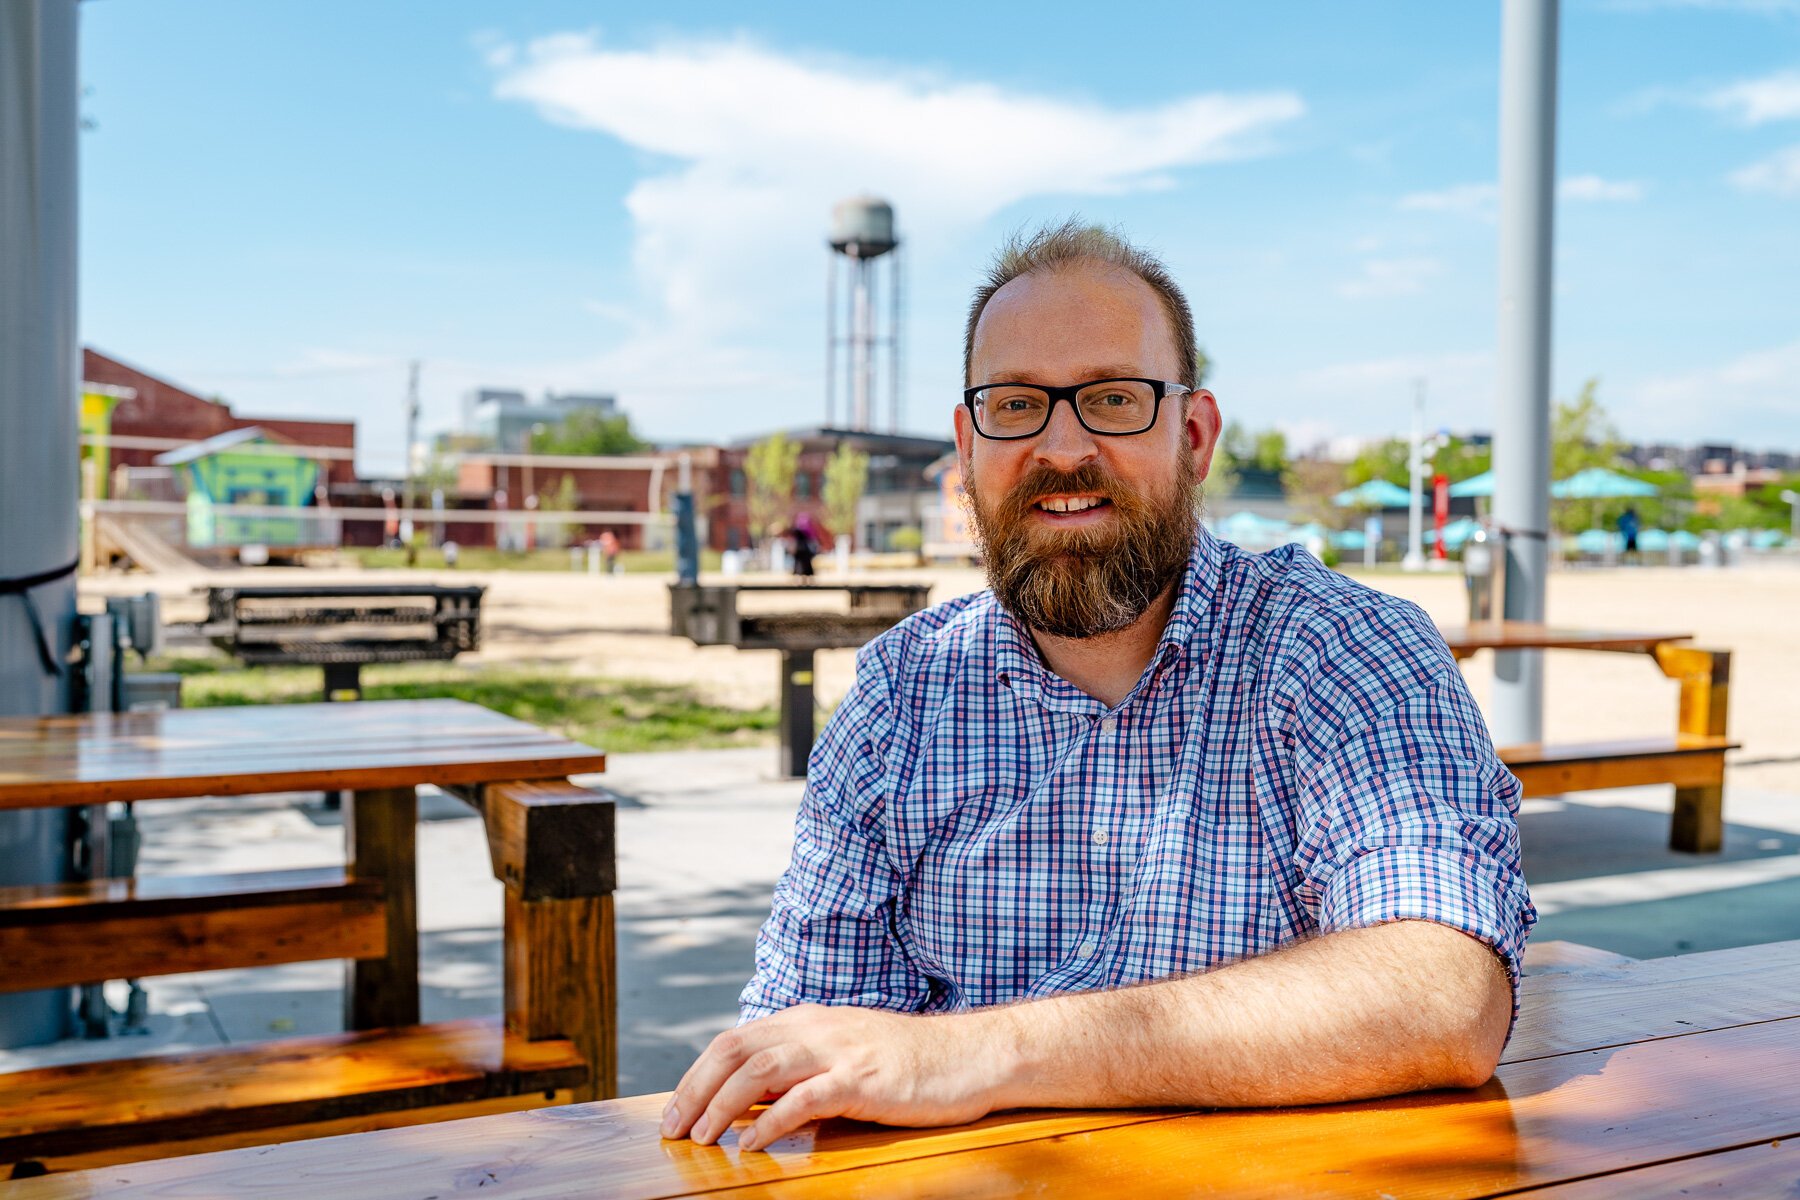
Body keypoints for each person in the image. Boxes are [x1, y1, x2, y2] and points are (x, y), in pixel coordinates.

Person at [661, 221, 1534, 1153]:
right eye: (1016, 404)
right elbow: (811, 1042)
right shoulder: (900, 700)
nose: (1063, 446)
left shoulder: (1343, 650)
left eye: (1114, 399)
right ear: (968, 447)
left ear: (1193, 436)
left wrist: (979, 1055)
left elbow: (1440, 994)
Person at [787, 514, 818, 583]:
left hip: (801, 552)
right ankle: (804, 580)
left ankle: (802, 580)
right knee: (804, 566)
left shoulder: (798, 531)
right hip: (804, 552)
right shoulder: (805, 531)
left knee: (801, 566)